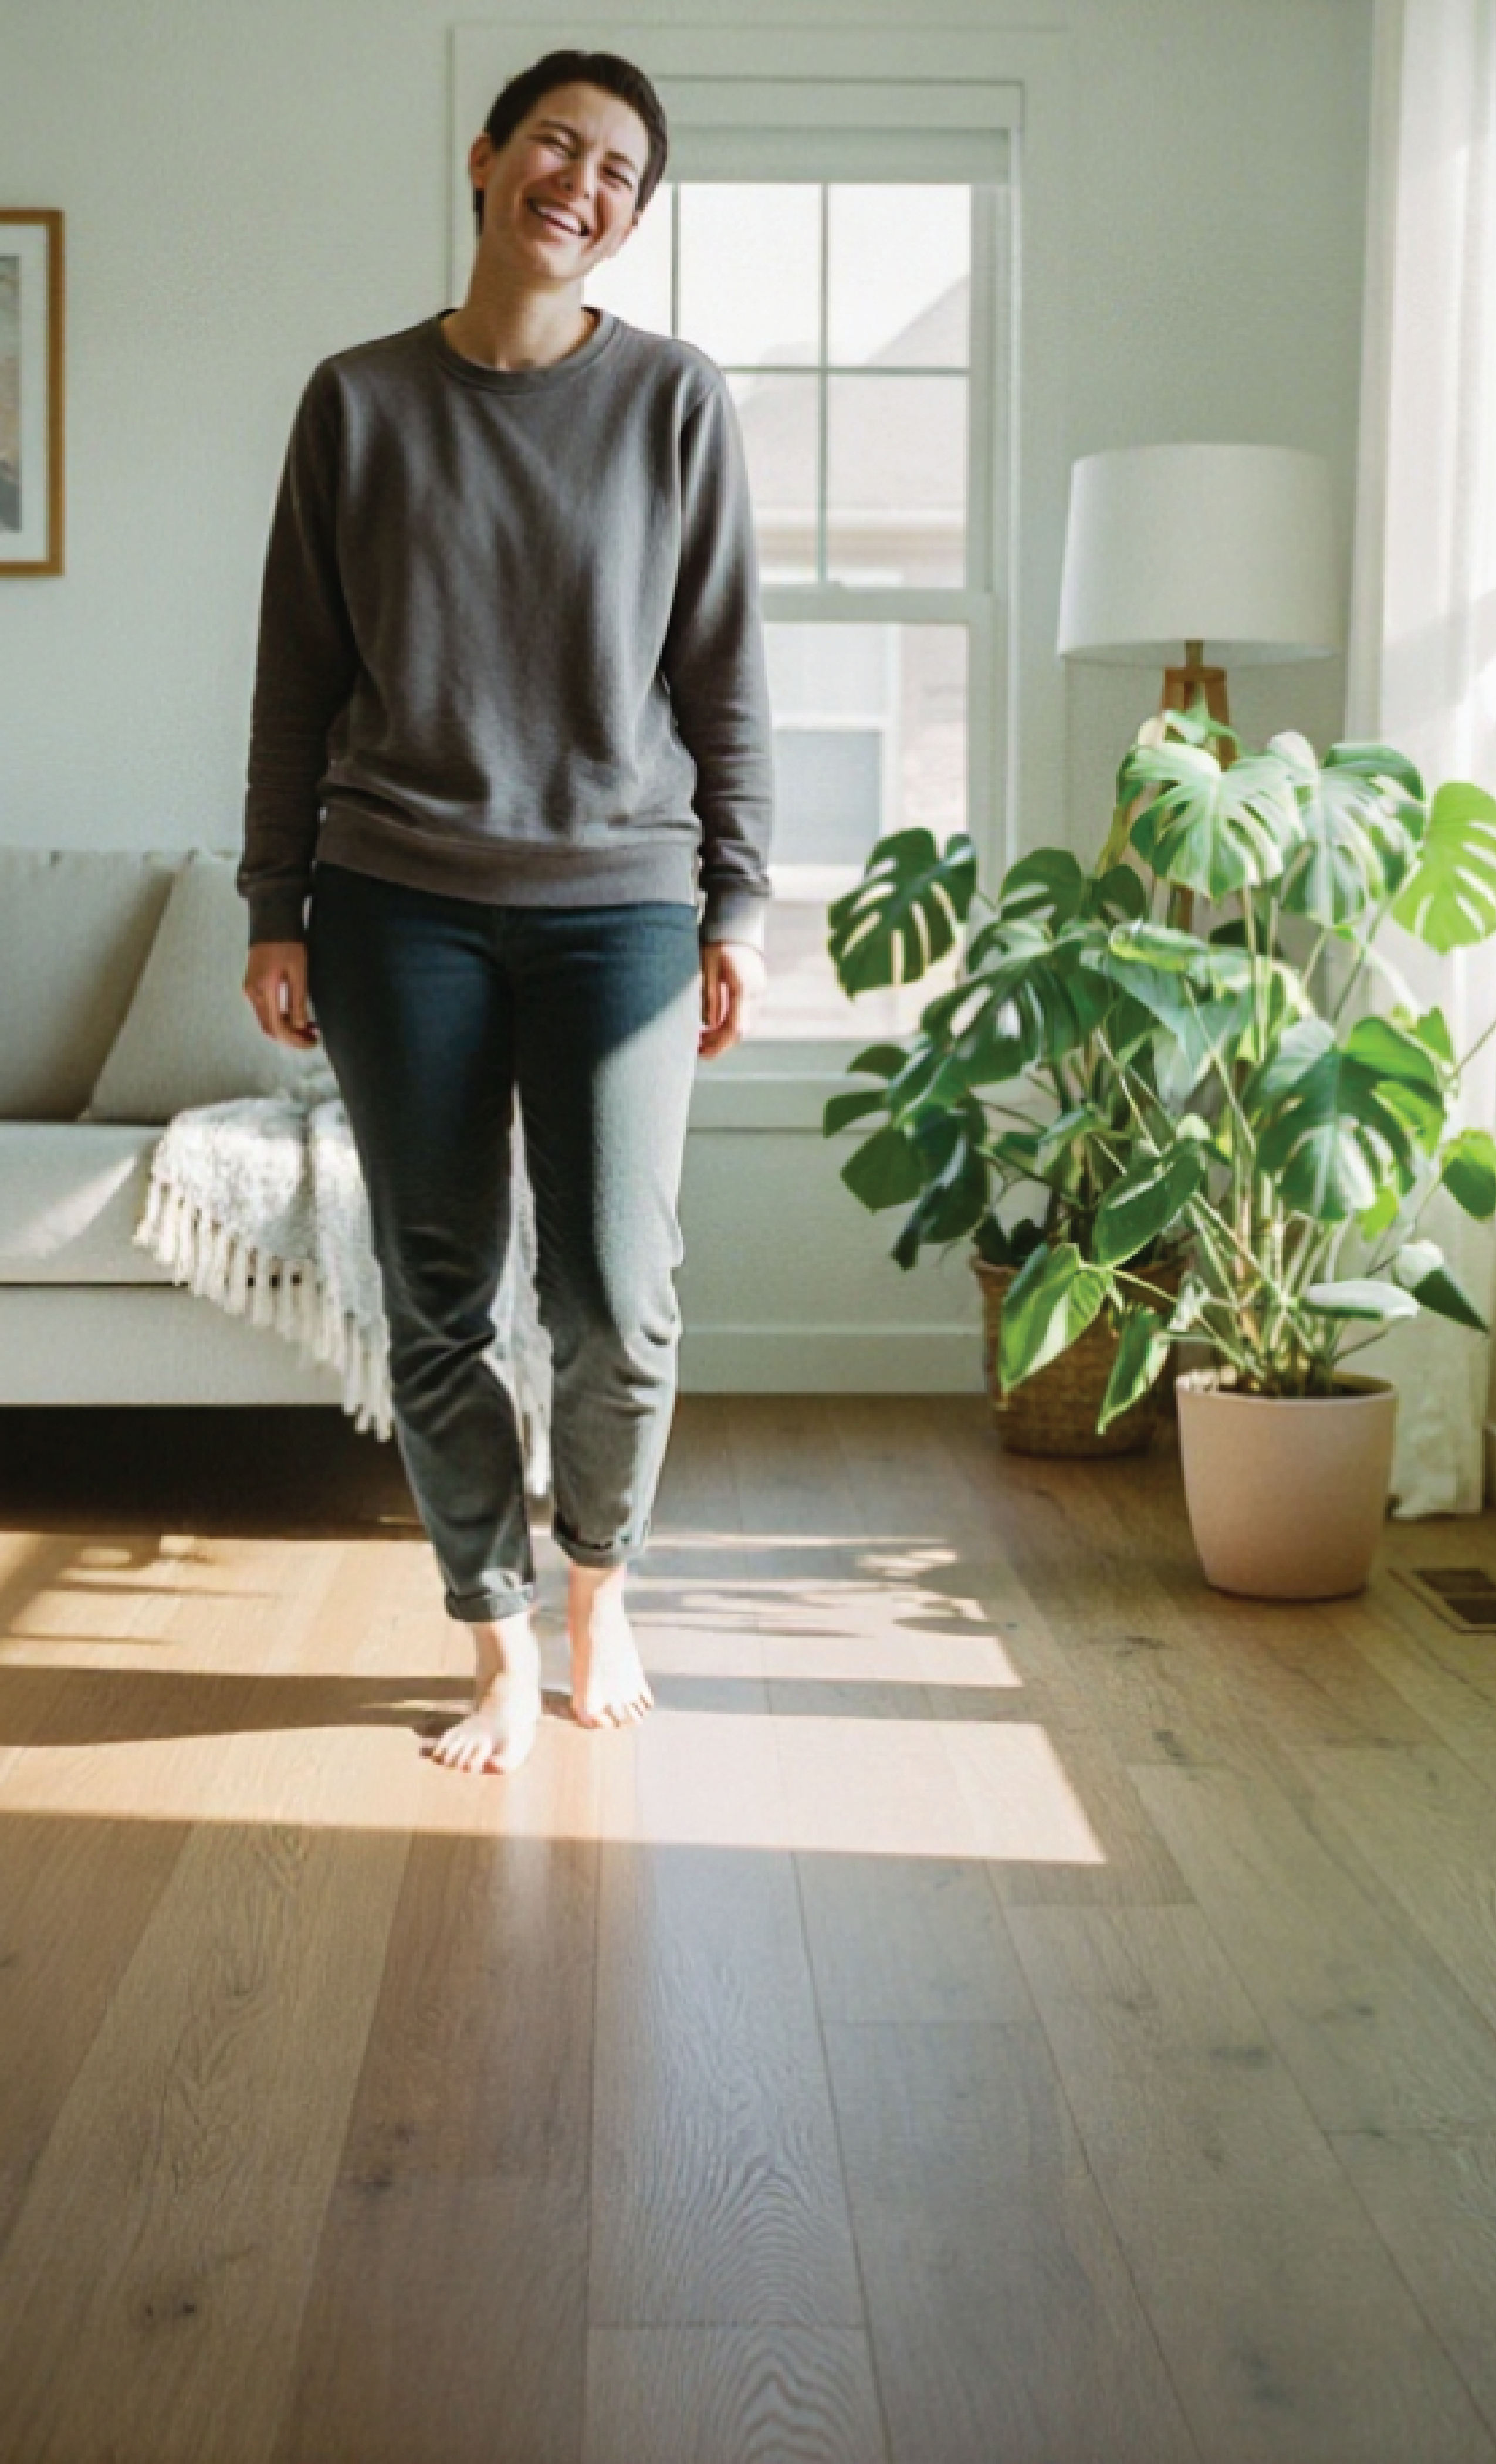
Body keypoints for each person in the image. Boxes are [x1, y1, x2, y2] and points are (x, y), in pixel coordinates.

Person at [238, 49, 773, 1778]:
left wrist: (739, 905)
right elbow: (294, 682)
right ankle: (490, 1639)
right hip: (395, 902)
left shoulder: (676, 403)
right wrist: (273, 899)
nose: (583, 181)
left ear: (626, 221)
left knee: (619, 1297)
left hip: (621, 904)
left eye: (620, 170)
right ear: (484, 161)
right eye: (557, 142)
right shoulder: (358, 401)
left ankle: (598, 1595)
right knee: (439, 1292)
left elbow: (725, 678)